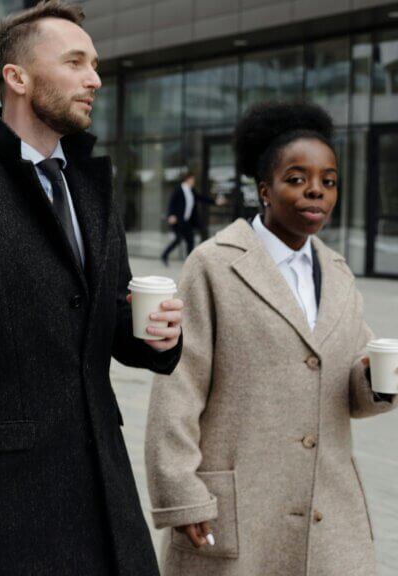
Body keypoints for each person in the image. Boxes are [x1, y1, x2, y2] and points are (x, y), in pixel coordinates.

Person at [0, 3, 184, 575]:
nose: (94, 79)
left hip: (105, 490)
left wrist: (156, 335)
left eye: (94, 65)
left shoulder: (93, 189)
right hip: (10, 504)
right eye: (75, 62)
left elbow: (109, 321)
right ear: (18, 77)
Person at [145, 102, 396, 576]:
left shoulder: (339, 273)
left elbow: (353, 390)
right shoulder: (215, 265)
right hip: (240, 509)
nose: (316, 191)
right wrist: (181, 492)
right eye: (297, 179)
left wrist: (377, 379)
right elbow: (178, 387)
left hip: (329, 517)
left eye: (329, 181)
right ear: (265, 189)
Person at [161, 173, 226, 264]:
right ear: (187, 179)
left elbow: (202, 198)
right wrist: (171, 215)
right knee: (179, 239)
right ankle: (165, 255)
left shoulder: (191, 191)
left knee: (190, 240)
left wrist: (215, 202)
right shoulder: (179, 190)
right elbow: (172, 203)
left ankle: (189, 261)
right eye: (192, 180)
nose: (193, 182)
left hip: (188, 221)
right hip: (178, 220)